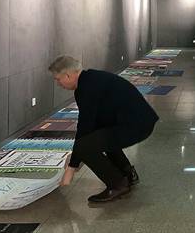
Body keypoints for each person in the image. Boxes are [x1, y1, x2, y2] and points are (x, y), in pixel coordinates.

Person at [49, 55, 158, 202]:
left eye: (58, 79)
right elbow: (94, 124)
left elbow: (84, 127)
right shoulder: (91, 79)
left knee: (84, 146)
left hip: (135, 126)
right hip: (140, 121)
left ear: (68, 75)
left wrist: (72, 167)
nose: (58, 84)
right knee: (99, 136)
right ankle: (127, 174)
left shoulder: (86, 88)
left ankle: (117, 184)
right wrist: (76, 158)